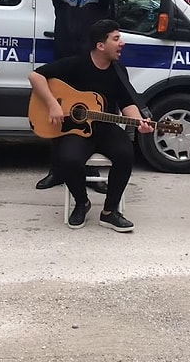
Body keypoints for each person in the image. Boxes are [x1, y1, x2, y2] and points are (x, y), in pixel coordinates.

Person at [28, 19, 153, 232]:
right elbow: (36, 75)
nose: (122, 43)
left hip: (105, 128)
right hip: (75, 129)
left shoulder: (119, 71)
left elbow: (127, 102)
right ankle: (81, 202)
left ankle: (110, 212)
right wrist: (52, 105)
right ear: (100, 45)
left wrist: (139, 121)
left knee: (125, 154)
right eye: (116, 39)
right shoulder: (76, 64)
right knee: (68, 158)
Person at [36, 0, 115, 192]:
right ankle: (56, 170)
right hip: (64, 63)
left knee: (88, 117)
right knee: (58, 117)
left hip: (91, 65)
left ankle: (89, 169)